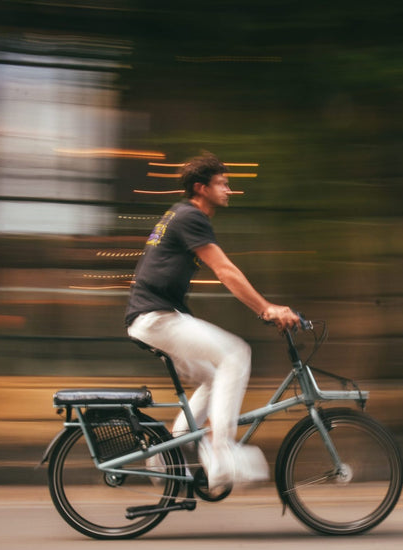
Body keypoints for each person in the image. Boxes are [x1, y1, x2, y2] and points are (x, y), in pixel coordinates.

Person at [125, 152, 301, 488]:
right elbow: (225, 270)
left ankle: (167, 457)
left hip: (154, 316)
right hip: (156, 317)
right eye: (222, 183)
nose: (228, 190)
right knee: (236, 353)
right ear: (200, 188)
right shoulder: (191, 216)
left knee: (212, 377)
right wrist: (267, 308)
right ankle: (221, 455)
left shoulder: (180, 214)